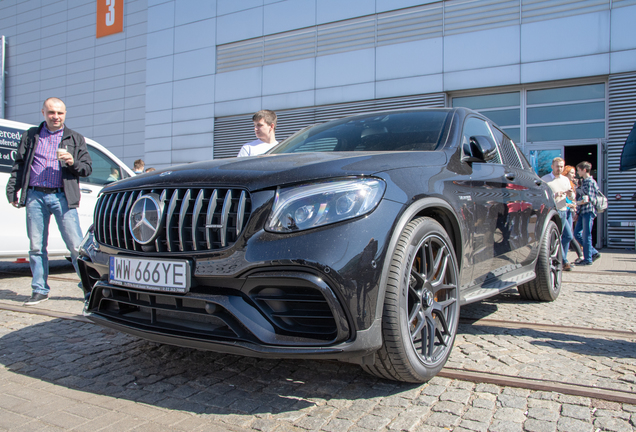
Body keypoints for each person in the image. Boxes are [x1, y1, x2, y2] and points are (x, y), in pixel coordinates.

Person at [6, 97, 92, 305]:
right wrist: (12, 189)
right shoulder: (31, 136)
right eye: (51, 112)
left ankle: (89, 288)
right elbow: (19, 164)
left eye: (60, 113)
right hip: (35, 195)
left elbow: (87, 168)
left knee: (75, 246)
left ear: (65, 114)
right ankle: (39, 289)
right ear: (43, 112)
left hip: (62, 196)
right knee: (36, 246)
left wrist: (73, 163)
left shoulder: (75, 138)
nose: (56, 116)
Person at [541, 157, 574, 271]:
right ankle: (563, 261)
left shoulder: (565, 180)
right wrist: (554, 195)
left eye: (561, 166)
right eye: (557, 166)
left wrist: (570, 194)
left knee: (568, 236)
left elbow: (571, 197)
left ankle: (560, 258)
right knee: (557, 237)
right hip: (552, 211)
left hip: (564, 210)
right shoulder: (545, 179)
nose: (559, 168)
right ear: (552, 166)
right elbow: (543, 196)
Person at [573, 161, 601, 266]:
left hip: (588, 211)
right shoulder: (584, 181)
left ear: (584, 170)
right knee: (576, 233)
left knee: (586, 235)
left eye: (579, 170)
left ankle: (588, 259)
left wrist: (579, 202)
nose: (577, 172)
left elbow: (590, 199)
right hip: (582, 211)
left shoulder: (590, 182)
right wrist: (578, 211)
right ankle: (593, 252)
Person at [562, 165, 583, 262]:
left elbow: (571, 199)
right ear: (566, 173)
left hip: (570, 211)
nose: (574, 175)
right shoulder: (562, 183)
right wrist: (567, 204)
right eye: (572, 173)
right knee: (569, 235)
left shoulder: (572, 184)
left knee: (568, 236)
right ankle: (562, 257)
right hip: (563, 210)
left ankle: (564, 259)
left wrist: (574, 205)